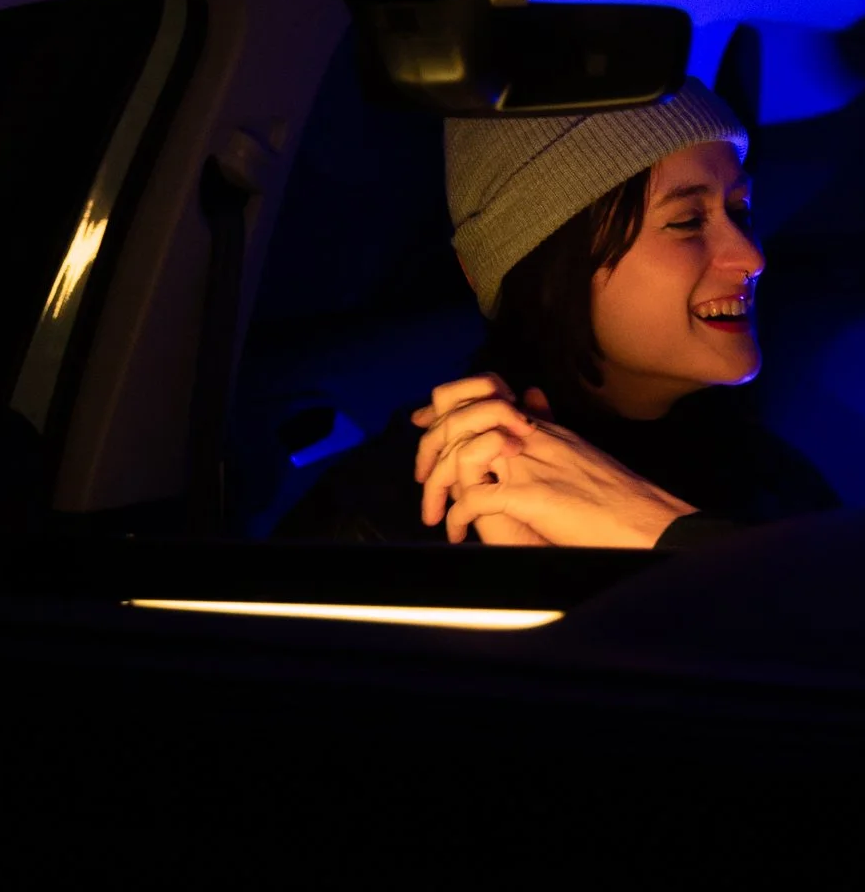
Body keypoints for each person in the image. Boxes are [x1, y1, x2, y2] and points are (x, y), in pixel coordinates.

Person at [275, 78, 835, 548]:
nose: (752, 257)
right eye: (687, 222)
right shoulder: (398, 509)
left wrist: (649, 526)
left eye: (741, 209)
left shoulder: (771, 483)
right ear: (541, 268)